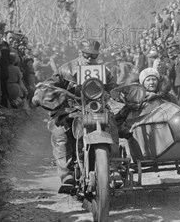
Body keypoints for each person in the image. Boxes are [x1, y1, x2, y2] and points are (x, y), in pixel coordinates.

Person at [33, 40, 117, 193]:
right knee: (60, 131)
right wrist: (42, 92)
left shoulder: (103, 71)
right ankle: (67, 175)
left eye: (94, 56)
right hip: (71, 108)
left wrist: (115, 93)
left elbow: (113, 87)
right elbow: (51, 83)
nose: (90, 59)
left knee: (111, 122)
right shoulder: (66, 69)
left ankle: (115, 166)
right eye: (87, 56)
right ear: (80, 53)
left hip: (96, 108)